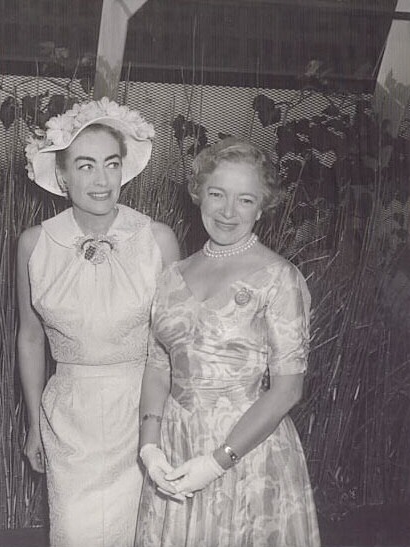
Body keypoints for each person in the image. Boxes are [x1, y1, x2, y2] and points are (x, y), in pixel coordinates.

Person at [135, 137, 320, 546]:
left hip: (246, 453)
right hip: (176, 447)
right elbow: (157, 367)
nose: (227, 211)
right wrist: (150, 448)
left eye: (245, 199)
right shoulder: (172, 275)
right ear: (199, 192)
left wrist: (219, 461)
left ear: (263, 206)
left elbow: (288, 389)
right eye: (217, 194)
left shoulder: (279, 278)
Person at [17, 97, 180, 547]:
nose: (101, 179)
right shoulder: (35, 243)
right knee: (73, 534)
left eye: (110, 164)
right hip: (69, 418)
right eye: (85, 166)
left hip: (143, 414)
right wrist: (33, 422)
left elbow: (176, 343)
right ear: (63, 175)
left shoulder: (158, 240)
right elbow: (30, 338)